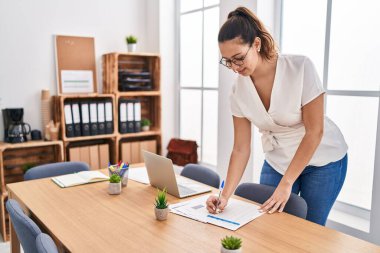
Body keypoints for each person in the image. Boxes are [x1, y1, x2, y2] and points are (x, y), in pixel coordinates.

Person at [206, 6, 348, 226]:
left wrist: (287, 183)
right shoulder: (237, 91)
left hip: (323, 160)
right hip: (278, 159)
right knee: (268, 227)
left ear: (256, 44)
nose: (234, 67)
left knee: (310, 231)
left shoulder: (300, 68)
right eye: (228, 61)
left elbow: (315, 131)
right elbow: (240, 149)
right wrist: (224, 195)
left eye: (238, 58)